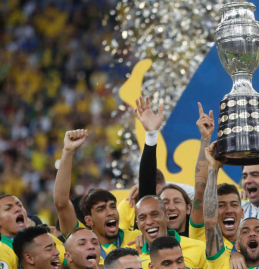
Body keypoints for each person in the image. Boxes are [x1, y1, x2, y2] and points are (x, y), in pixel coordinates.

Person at [54, 129, 142, 261]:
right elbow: (61, 203)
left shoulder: (136, 237)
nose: (110, 212)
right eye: (101, 209)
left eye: (112, 207)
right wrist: (68, 151)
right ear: (89, 220)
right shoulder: (81, 243)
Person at [188, 102, 245, 258]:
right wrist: (206, 139)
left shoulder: (252, 246)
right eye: (220, 205)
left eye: (234, 204)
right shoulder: (202, 237)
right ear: (210, 210)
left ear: (242, 212)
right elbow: (200, 192)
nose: (228, 210)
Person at [133, 96, 194, 237]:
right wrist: (151, 135)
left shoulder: (200, 238)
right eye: (165, 202)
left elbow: (202, 194)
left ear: (188, 209)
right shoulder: (147, 240)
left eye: (177, 201)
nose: (171, 207)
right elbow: (147, 184)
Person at [134, 195, 207, 268]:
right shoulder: (131, 256)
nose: (149, 222)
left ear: (167, 217)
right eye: (142, 218)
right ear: (138, 224)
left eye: (155, 215)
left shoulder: (198, 248)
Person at [0, 194, 66, 268]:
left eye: (20, 205)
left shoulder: (44, 237)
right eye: (8, 208)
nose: (18, 209)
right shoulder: (2, 250)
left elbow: (72, 259)